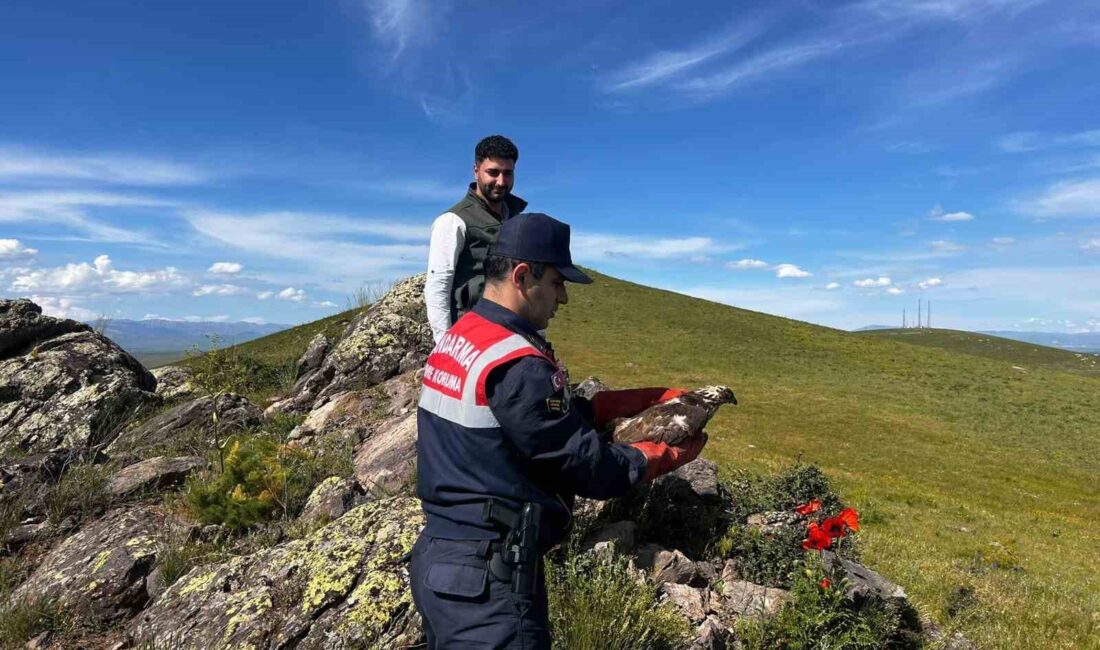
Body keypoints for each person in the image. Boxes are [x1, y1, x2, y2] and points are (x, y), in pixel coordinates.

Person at [412, 212, 707, 649]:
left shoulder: (463, 336)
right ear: (523, 275)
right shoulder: (516, 361)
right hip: (489, 581)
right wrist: (655, 456)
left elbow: (521, 426)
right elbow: (583, 464)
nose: (563, 298)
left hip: (441, 560)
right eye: (556, 283)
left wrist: (614, 404)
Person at [425, 135, 528, 344]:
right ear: (476, 170)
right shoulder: (452, 221)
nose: (500, 181)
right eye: (493, 172)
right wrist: (445, 345)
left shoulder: (516, 219)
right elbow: (438, 286)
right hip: (471, 333)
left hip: (511, 330)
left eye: (507, 174)